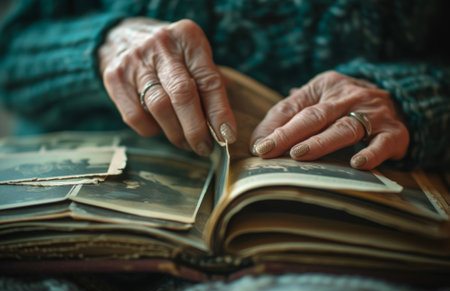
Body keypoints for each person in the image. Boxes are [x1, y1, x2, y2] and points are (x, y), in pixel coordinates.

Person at [0, 0, 448, 170]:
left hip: (350, 217)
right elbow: (10, 51)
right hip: (89, 193)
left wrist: (408, 96)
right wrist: (103, 45)